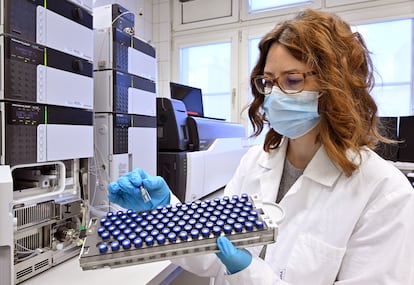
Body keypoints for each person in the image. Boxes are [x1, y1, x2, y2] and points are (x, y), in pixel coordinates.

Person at [107, 8, 414, 285]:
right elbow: (214, 253)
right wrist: (165, 214)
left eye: (292, 80)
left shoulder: (384, 193)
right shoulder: (256, 162)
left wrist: (248, 273)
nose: (274, 96)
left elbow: (239, 267)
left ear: (337, 86)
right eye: (269, 81)